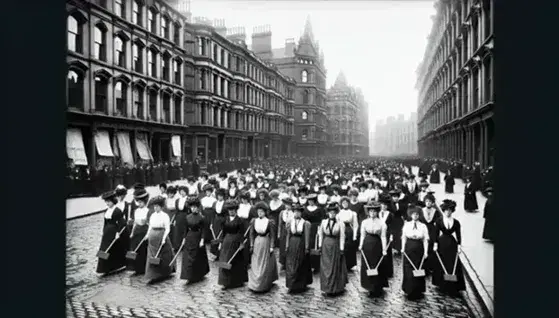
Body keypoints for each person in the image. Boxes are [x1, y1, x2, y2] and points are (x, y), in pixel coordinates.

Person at [433, 199, 466, 295]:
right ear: (443, 211)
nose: (448, 212)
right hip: (441, 243)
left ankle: (453, 284)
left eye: (450, 210)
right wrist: (435, 244)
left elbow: (459, 235)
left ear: (452, 211)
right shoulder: (439, 221)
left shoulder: (456, 222)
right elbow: (436, 233)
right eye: (446, 210)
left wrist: (459, 246)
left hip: (452, 244)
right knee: (441, 262)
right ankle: (441, 283)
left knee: (452, 263)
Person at [248, 202, 279, 292]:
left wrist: (272, 246)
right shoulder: (254, 221)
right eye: (258, 212)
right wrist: (251, 244)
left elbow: (273, 235)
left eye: (261, 212)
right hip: (257, 242)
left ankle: (263, 283)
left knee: (264, 262)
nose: (260, 213)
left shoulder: (269, 222)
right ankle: (254, 283)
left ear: (265, 212)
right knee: (256, 262)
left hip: (265, 242)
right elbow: (251, 234)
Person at [217, 199, 248, 289]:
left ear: (236, 210)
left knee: (234, 260)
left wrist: (241, 243)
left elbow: (242, 233)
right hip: (226, 241)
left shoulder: (240, 221)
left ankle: (236, 280)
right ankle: (224, 281)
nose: (231, 212)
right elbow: (223, 232)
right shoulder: (225, 220)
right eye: (230, 210)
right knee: (224, 259)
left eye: (233, 210)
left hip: (236, 242)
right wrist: (220, 243)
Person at [318, 203, 348, 296]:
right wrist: (320, 246)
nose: (332, 214)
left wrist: (341, 248)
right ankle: (326, 287)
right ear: (328, 213)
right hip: (326, 245)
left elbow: (342, 236)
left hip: (335, 245)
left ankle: (335, 288)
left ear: (336, 213)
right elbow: (321, 235)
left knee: (334, 266)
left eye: (334, 212)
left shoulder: (340, 223)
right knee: (326, 266)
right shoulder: (323, 222)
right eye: (330, 212)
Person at [359, 202, 388, 297]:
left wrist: (384, 249)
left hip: (377, 244)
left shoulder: (381, 223)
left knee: (376, 264)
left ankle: (377, 286)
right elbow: (362, 235)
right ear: (368, 212)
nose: (372, 213)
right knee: (367, 265)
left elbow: (383, 237)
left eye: (374, 211)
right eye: (370, 211)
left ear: (377, 212)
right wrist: (361, 245)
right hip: (367, 244)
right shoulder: (364, 222)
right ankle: (368, 286)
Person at [401, 206, 429, 299]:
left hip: (419, 249)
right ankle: (409, 289)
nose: (415, 216)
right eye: (413, 214)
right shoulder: (407, 225)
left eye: (417, 214)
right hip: (409, 248)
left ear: (419, 215)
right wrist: (402, 248)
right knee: (408, 269)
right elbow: (404, 237)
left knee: (419, 268)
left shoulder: (423, 226)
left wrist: (426, 252)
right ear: (410, 215)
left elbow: (425, 239)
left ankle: (418, 289)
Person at [145, 196, 175, 283]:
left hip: (161, 236)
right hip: (152, 238)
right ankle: (152, 274)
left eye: (157, 206)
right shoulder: (152, 216)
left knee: (163, 255)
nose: (155, 208)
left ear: (161, 207)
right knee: (151, 255)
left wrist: (164, 238)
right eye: (154, 206)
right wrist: (147, 235)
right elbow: (150, 226)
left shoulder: (165, 216)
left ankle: (164, 272)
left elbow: (167, 228)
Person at [180, 197, 210, 284]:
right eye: (192, 207)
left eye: (195, 207)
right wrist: (184, 239)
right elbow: (185, 229)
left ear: (198, 207)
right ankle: (188, 275)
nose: (194, 209)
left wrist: (202, 240)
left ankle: (197, 274)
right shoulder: (187, 217)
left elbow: (204, 230)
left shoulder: (202, 218)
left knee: (197, 256)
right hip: (189, 237)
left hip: (198, 237)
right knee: (188, 257)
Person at [96, 191, 127, 275]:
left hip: (114, 233)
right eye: (106, 202)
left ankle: (116, 265)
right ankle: (103, 268)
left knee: (113, 250)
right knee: (103, 249)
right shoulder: (107, 211)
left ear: (113, 201)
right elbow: (105, 223)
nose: (107, 203)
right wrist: (103, 232)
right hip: (106, 234)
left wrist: (118, 233)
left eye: (109, 201)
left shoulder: (117, 211)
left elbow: (122, 223)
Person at [285, 205, 313, 293]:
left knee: (300, 263)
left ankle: (299, 285)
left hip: (301, 243)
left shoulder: (305, 223)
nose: (297, 213)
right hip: (292, 243)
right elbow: (288, 235)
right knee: (290, 264)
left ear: (301, 213)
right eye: (295, 212)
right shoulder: (290, 221)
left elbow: (307, 236)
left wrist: (307, 247)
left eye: (299, 212)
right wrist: (287, 245)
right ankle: (291, 284)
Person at [126, 188, 150, 275]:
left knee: (143, 249)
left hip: (144, 231)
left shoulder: (148, 211)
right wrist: (132, 232)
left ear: (145, 202)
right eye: (138, 202)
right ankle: (135, 267)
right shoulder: (136, 211)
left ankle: (143, 267)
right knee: (134, 248)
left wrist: (147, 234)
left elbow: (149, 223)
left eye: (141, 202)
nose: (139, 204)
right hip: (137, 231)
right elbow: (135, 223)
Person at [302, 193, 324, 273]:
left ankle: (316, 265)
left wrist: (319, 228)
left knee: (315, 246)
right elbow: (303, 220)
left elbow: (322, 220)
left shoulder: (319, 209)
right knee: (307, 245)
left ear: (315, 201)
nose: (310, 202)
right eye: (309, 201)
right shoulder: (305, 209)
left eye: (312, 201)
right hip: (307, 229)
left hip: (316, 229)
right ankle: (308, 265)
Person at [338, 197, 359, 271]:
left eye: (346, 203)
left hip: (349, 230)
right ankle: (343, 264)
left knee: (350, 246)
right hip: (341, 229)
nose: (345, 204)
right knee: (343, 246)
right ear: (341, 204)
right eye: (343, 203)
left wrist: (355, 235)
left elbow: (355, 225)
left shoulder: (352, 213)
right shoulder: (339, 213)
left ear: (348, 203)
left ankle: (350, 264)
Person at [378, 196, 394, 278]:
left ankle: (387, 271)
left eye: (385, 205)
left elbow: (392, 226)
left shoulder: (390, 214)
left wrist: (391, 235)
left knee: (387, 251)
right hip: (378, 233)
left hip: (387, 234)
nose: (383, 206)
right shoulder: (378, 213)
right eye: (382, 205)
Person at [278, 197, 294, 269]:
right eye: (286, 205)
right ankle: (283, 262)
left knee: (289, 246)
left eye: (289, 205)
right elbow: (280, 224)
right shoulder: (282, 212)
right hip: (283, 231)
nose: (287, 206)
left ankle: (289, 262)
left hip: (290, 231)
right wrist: (279, 233)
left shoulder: (293, 213)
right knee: (282, 246)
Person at [173, 186, 189, 252]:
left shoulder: (188, 199)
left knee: (185, 231)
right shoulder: (177, 200)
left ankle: (185, 246)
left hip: (186, 216)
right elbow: (176, 211)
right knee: (177, 231)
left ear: (186, 192)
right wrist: (175, 219)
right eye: (181, 191)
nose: (182, 193)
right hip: (179, 216)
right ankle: (177, 246)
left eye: (183, 191)